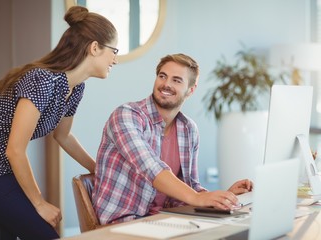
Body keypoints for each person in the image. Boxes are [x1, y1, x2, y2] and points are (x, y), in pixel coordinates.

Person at [0, 6, 118, 240]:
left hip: (1, 166)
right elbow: (15, 150)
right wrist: (40, 203)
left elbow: (63, 136)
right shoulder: (42, 80)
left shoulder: (75, 88)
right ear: (95, 48)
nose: (115, 59)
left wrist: (98, 169)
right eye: (114, 50)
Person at [92, 53, 253, 224]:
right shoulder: (126, 115)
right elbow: (151, 168)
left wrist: (223, 197)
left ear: (191, 89)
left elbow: (190, 189)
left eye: (176, 80)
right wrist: (197, 197)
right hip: (122, 222)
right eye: (162, 76)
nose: (166, 84)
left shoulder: (188, 129)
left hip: (167, 220)